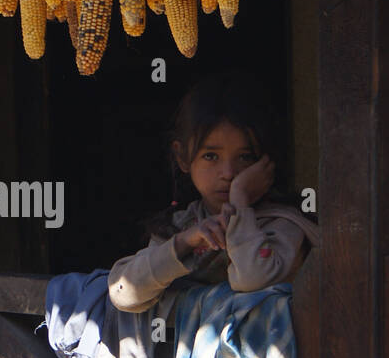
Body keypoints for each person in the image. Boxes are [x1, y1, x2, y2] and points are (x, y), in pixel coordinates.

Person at [107, 70, 319, 324]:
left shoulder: (284, 226)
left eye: (245, 157)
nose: (229, 174)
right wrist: (184, 242)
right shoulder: (182, 225)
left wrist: (240, 202)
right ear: (183, 157)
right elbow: (125, 294)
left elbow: (255, 280)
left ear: (265, 162)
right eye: (211, 156)